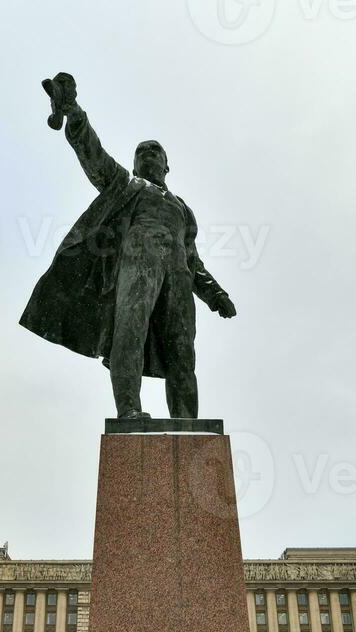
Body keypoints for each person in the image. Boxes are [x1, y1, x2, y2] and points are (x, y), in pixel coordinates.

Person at [21, 72, 237, 421]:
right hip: (138, 263)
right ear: (135, 164)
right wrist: (74, 114)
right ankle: (129, 410)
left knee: (182, 351)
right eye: (141, 152)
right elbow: (94, 155)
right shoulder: (127, 185)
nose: (148, 153)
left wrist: (215, 294)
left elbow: (193, 260)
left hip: (178, 276)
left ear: (167, 165)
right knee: (130, 330)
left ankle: (188, 423)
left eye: (155, 151)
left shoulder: (183, 208)